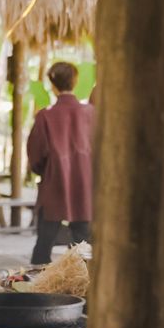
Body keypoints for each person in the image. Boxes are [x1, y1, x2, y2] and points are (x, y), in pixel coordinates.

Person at [27, 62, 94, 265]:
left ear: (52, 84)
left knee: (44, 243)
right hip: (86, 188)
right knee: (83, 245)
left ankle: (38, 288)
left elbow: (36, 156)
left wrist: (46, 172)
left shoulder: (45, 117)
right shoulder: (92, 113)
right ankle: (82, 286)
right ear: (75, 81)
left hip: (54, 187)